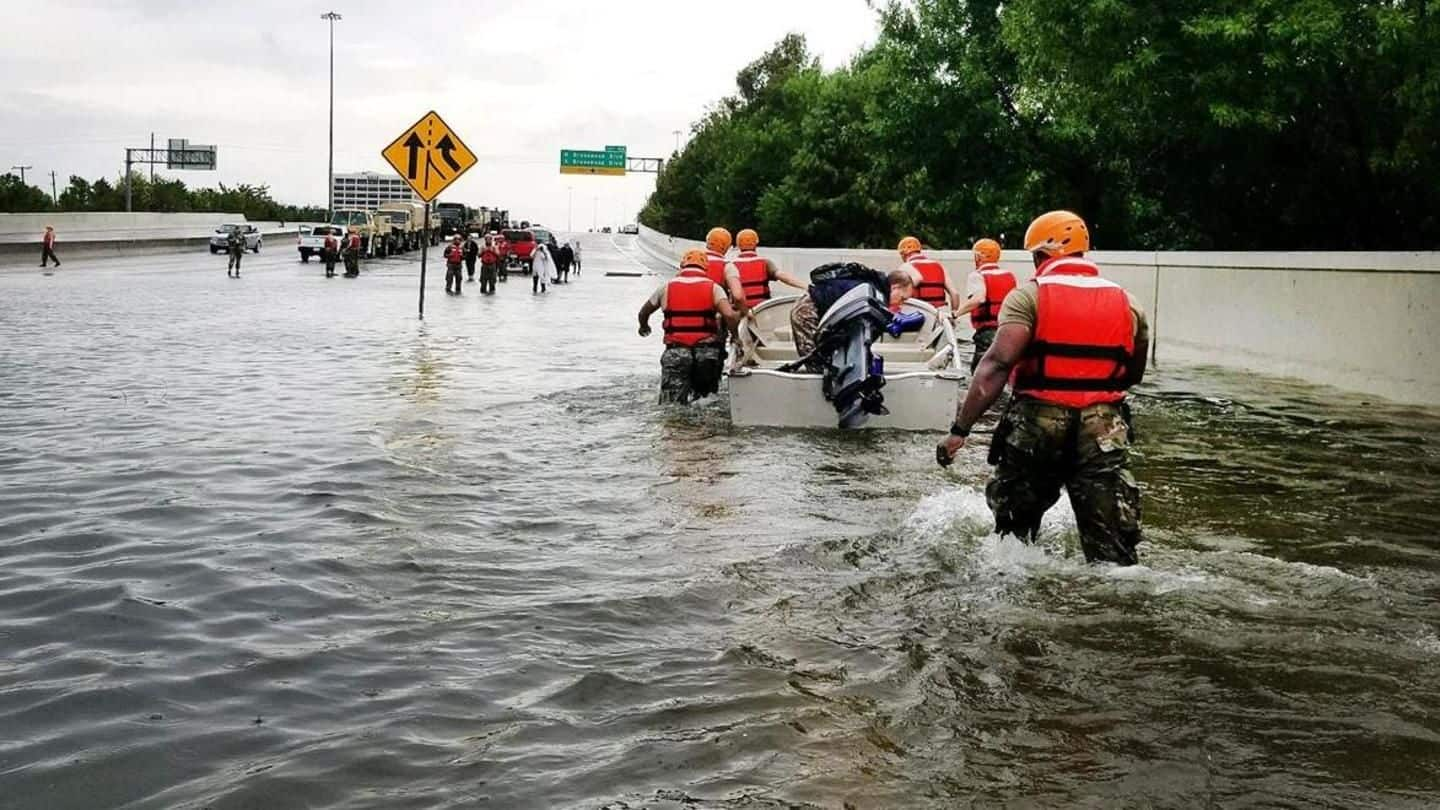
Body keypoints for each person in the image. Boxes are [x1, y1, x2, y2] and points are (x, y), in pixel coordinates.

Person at [936, 210, 1150, 566]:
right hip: (1104, 428)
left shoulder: (1028, 297)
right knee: (1113, 553)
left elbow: (996, 365)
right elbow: (1132, 374)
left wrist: (960, 431)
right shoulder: (1128, 302)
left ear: (1040, 255)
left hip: (1038, 424)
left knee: (1013, 541)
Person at [637, 249, 741, 403]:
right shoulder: (714, 288)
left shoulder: (666, 287)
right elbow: (730, 315)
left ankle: (676, 426)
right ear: (705, 267)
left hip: (676, 352)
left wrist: (644, 327)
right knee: (706, 402)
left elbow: (643, 313)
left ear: (682, 265)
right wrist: (735, 336)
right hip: (706, 353)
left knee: (671, 405)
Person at [790, 268, 915, 366]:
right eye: (903, 298)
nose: (901, 303)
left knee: (826, 361)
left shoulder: (874, 286)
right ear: (895, 287)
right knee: (816, 363)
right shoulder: (874, 293)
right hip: (807, 309)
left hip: (816, 307)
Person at [953, 238, 1018, 372]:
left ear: (978, 257)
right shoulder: (1009, 275)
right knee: (1003, 369)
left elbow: (979, 298)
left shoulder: (977, 275)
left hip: (989, 331)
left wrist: (956, 314)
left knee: (980, 372)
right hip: (1009, 329)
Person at [724, 228, 807, 316]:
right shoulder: (765, 263)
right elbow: (783, 276)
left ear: (738, 245)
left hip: (740, 312)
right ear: (756, 243)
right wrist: (805, 286)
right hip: (761, 311)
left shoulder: (731, 265)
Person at [897, 236, 960, 313]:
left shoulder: (906, 266)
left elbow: (915, 280)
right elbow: (955, 294)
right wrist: (954, 311)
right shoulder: (939, 266)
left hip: (920, 312)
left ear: (903, 254)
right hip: (940, 313)